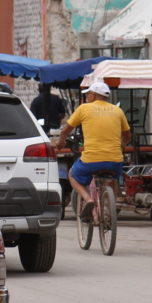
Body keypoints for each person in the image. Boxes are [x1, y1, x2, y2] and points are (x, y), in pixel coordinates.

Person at [53, 80, 131, 218]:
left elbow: (66, 130)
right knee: (112, 178)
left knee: (72, 174)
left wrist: (60, 142)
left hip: (91, 160)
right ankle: (108, 207)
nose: (88, 96)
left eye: (89, 94)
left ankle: (88, 199)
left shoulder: (84, 108)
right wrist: (121, 147)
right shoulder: (118, 110)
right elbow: (127, 135)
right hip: (115, 161)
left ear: (94, 95)